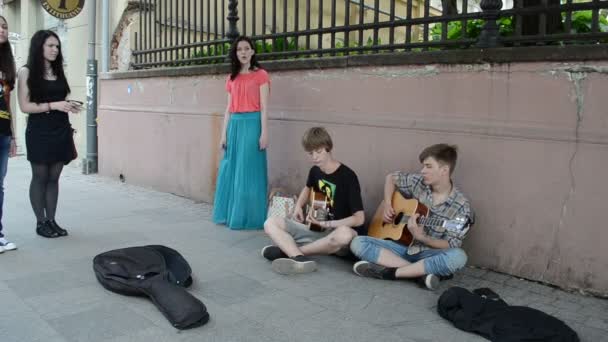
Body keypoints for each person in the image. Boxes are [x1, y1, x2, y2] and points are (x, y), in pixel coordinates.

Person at [350, 144, 474, 290]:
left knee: (459, 256)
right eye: (423, 166)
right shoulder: (419, 183)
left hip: (428, 255)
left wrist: (422, 238)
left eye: (428, 166)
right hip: (401, 248)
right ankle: (418, 274)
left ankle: (391, 273)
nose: (422, 171)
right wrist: (389, 205)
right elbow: (391, 178)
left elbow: (451, 244)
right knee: (358, 242)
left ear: (444, 170)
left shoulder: (460, 206)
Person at [262, 127, 365, 275]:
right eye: (310, 153)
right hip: (318, 231)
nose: (314, 157)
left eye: (318, 151)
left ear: (328, 148)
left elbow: (359, 219)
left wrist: (329, 224)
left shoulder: (348, 176)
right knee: (270, 223)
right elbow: (307, 188)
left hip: (339, 238)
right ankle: (299, 257)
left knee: (345, 234)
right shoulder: (315, 171)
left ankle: (291, 253)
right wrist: (298, 206)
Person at [17, 30, 81, 238]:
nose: (55, 50)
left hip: (60, 128)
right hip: (39, 131)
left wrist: (68, 105)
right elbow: (24, 106)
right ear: (39, 47)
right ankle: (40, 222)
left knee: (54, 177)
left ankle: (52, 221)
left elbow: (59, 98)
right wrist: (55, 105)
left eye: (57, 46)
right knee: (40, 176)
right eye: (50, 46)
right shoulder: (26, 72)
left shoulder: (58, 70)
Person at [212, 36, 270, 230]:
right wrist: (223, 134)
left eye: (246, 48)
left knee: (248, 171)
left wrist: (264, 133)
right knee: (232, 171)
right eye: (239, 49)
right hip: (234, 126)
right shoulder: (231, 78)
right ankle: (232, 215)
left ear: (252, 51)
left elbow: (264, 107)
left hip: (252, 124)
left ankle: (249, 216)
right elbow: (228, 108)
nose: (243, 52)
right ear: (236, 53)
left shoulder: (261, 75)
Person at [0, 15, 17, 252]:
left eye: (4, 26)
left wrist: (13, 135)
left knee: (0, 185)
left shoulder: (6, 65)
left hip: (2, 131)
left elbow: (7, 102)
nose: (2, 29)